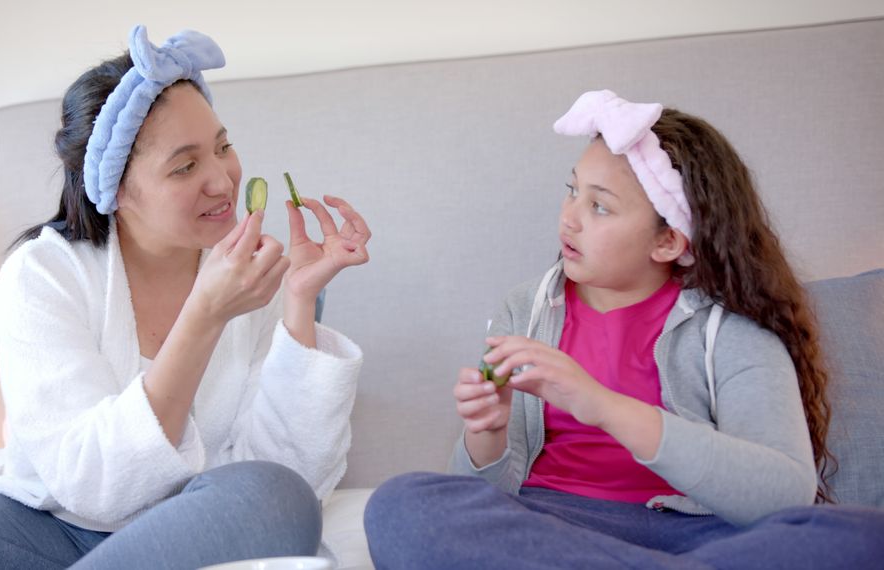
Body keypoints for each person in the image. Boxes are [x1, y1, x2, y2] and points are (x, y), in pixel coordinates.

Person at [0, 25, 370, 569]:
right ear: (118, 189)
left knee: (277, 495)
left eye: (223, 147)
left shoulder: (251, 278)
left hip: (186, 534)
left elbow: (293, 472)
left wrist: (297, 302)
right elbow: (92, 487)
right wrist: (203, 315)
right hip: (38, 530)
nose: (222, 180)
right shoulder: (43, 273)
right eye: (186, 166)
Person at [363, 89, 884, 568]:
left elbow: (782, 494)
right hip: (551, 527)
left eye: (599, 206)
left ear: (668, 242)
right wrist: (488, 433)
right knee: (404, 505)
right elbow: (480, 489)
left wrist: (603, 405)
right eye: (572, 191)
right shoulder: (527, 308)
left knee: (859, 536)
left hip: (697, 537)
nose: (569, 218)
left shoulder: (732, 329)